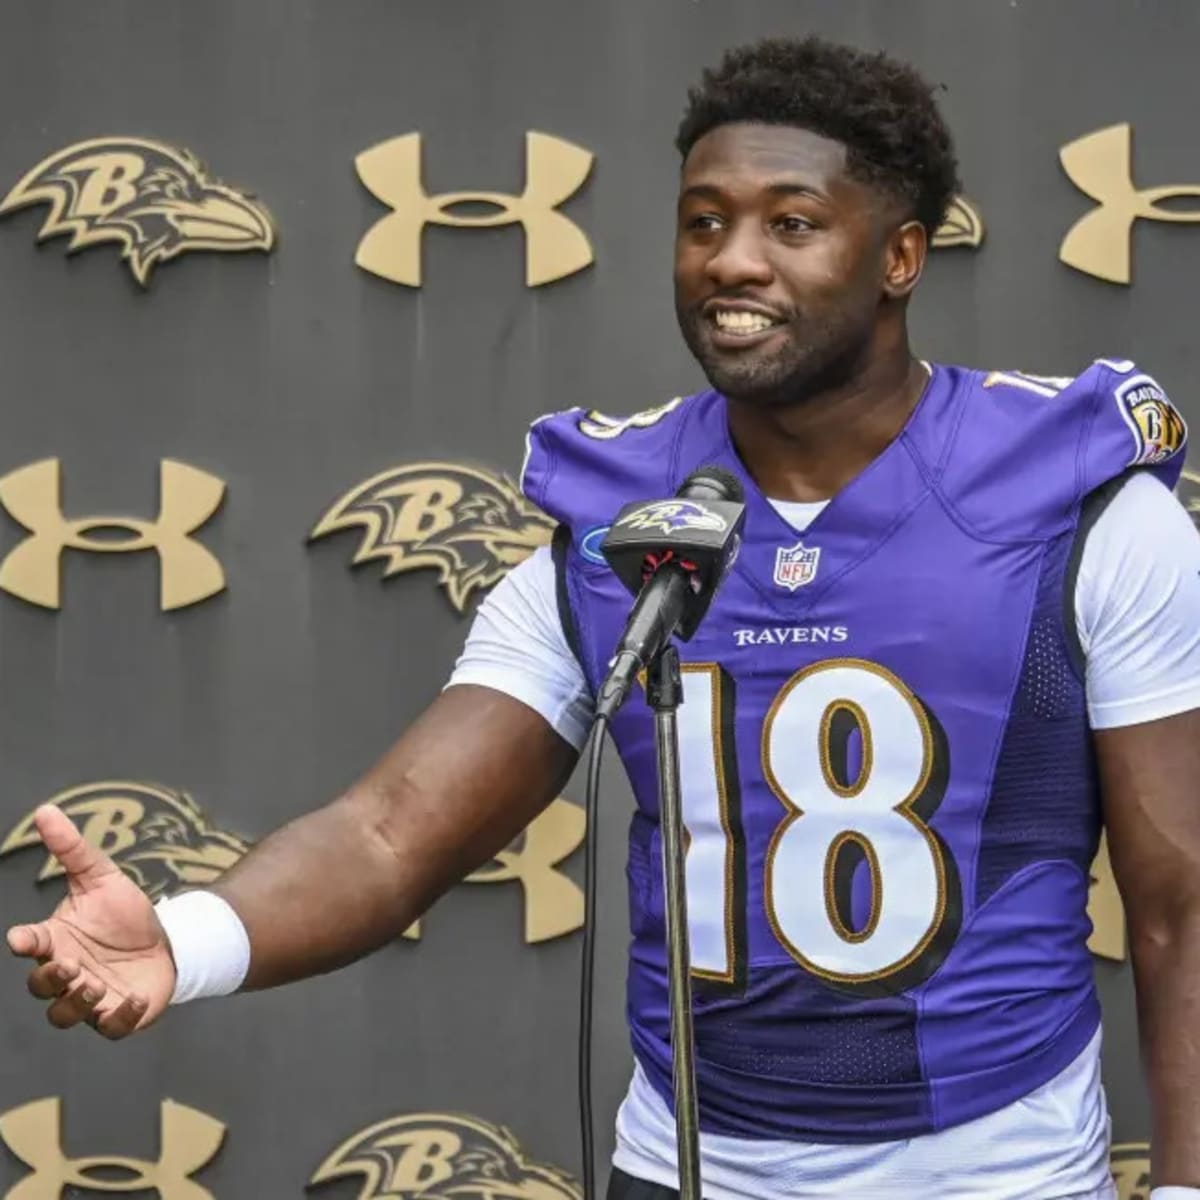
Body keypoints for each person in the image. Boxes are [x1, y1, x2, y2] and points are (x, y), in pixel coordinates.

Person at [8, 34, 1200, 1200]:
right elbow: (392, 832)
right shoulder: (620, 522)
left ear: (898, 256)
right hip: (687, 1162)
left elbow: (1179, 901)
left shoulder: (1073, 501)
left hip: (994, 1166)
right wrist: (184, 938)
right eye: (703, 221)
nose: (732, 260)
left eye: (790, 223)